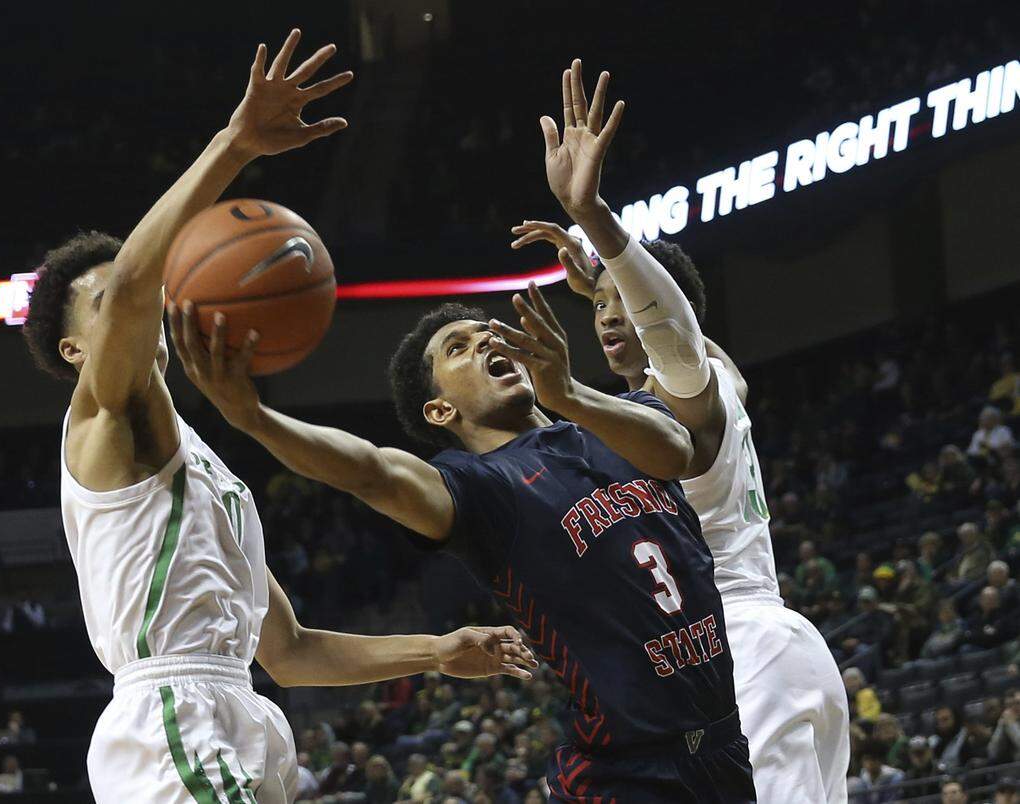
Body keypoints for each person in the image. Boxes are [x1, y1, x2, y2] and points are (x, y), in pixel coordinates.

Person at [172, 64, 754, 803]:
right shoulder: (477, 490)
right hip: (623, 773)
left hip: (724, 746)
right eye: (458, 348)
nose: (486, 340)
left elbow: (695, 385)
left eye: (487, 331)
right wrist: (253, 417)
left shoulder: (618, 421)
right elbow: (369, 470)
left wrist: (601, 271)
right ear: (440, 412)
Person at [23, 30, 532, 804]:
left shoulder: (204, 469)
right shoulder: (101, 420)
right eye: (113, 300)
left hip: (242, 711)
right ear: (73, 350)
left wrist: (438, 649)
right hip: (171, 717)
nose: (146, 297)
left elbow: (290, 652)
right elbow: (130, 284)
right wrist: (235, 144)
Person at [509, 83, 848, 804]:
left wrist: (596, 220)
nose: (607, 318)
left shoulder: (683, 392)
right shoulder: (721, 384)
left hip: (741, 649)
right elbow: (683, 332)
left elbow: (674, 333)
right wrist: (604, 285)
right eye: (598, 307)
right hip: (778, 651)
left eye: (622, 306)